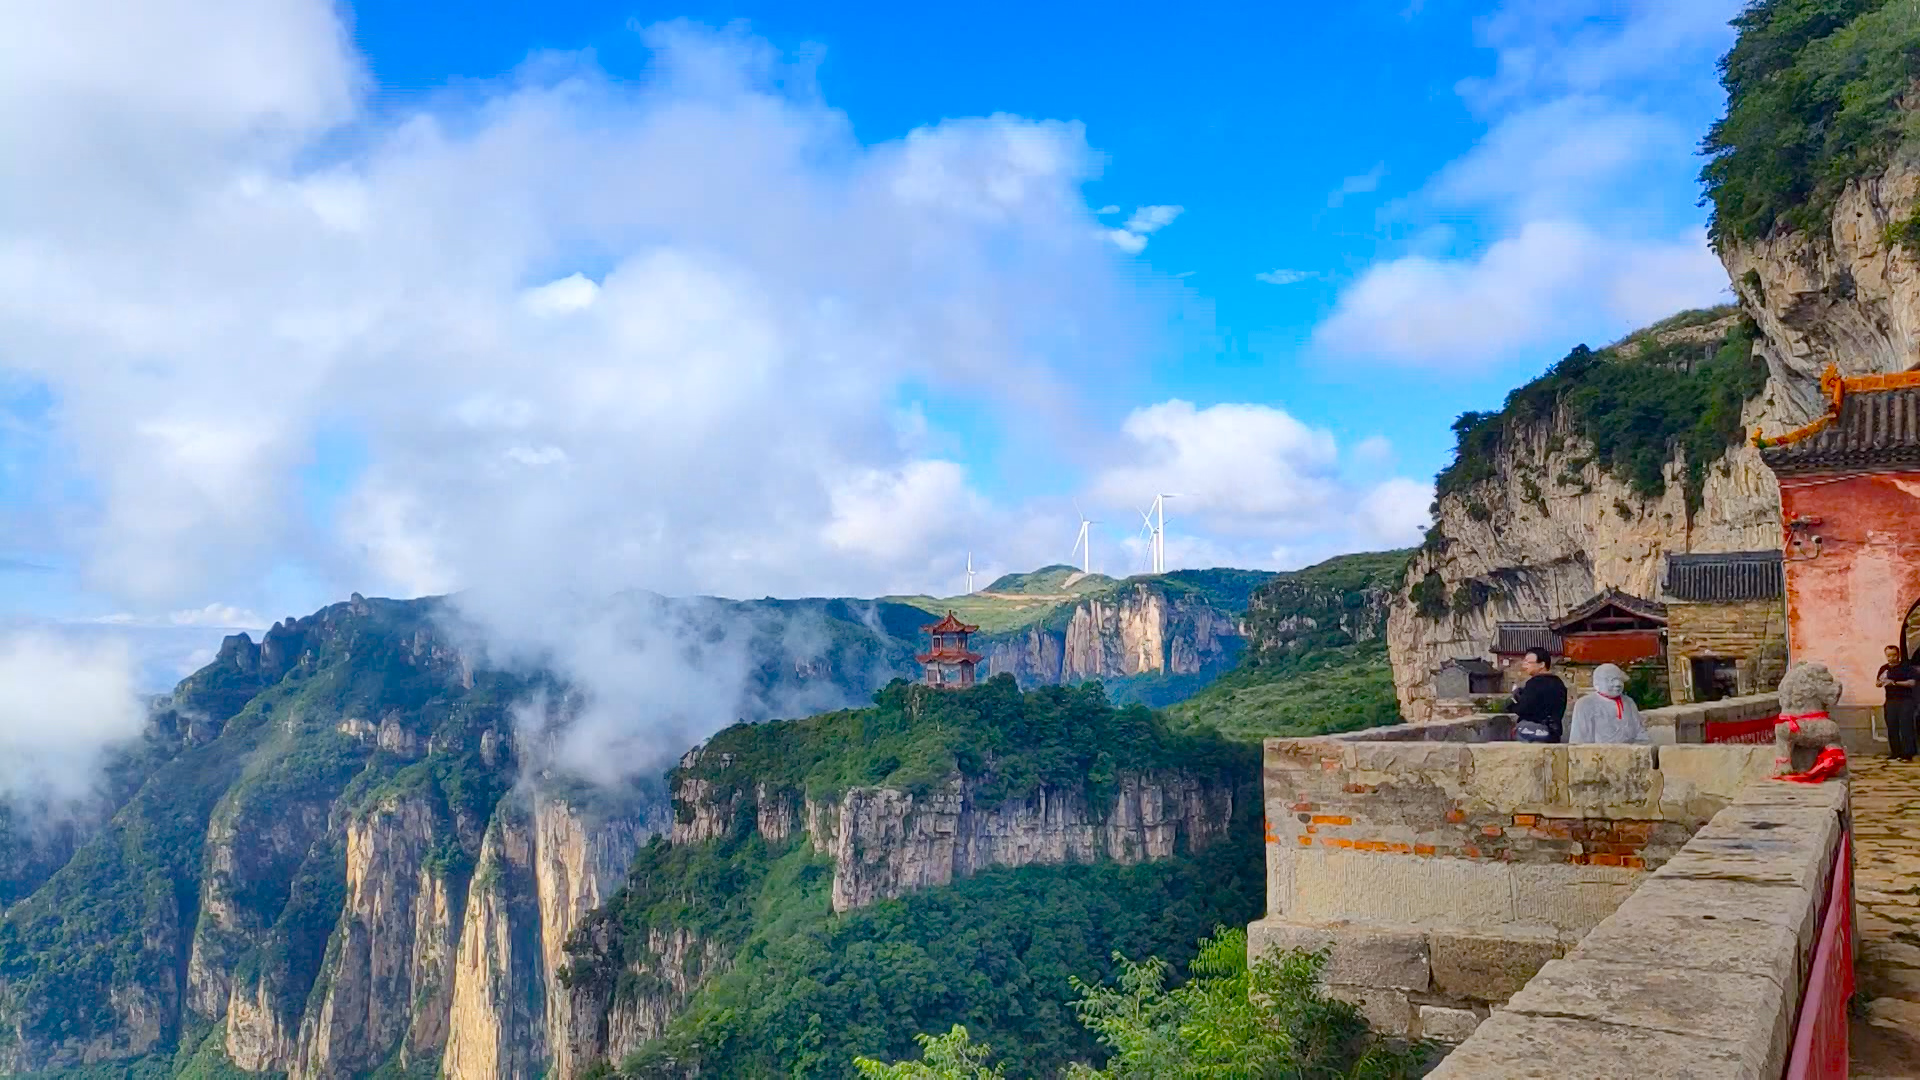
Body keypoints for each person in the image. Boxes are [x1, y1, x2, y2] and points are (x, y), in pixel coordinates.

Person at [1568, 663, 1649, 744]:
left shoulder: (1628, 702)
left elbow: (1640, 733)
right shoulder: (1585, 704)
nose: (1617, 684)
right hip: (1598, 754)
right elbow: (1579, 742)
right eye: (1610, 680)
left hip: (1628, 753)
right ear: (1596, 683)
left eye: (1620, 680)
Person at [1507, 647, 1568, 743]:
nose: (1524, 665)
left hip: (1535, 732)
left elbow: (1524, 709)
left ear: (1542, 664)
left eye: (1528, 662)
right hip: (1554, 732)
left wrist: (1512, 705)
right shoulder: (1559, 683)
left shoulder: (1534, 683)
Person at [1878, 645, 1918, 761]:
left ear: (1898, 654)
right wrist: (1881, 682)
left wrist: (1895, 683)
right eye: (1889, 655)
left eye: (1894, 655)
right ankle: (1895, 753)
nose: (1891, 658)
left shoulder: (1906, 667)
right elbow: (1878, 683)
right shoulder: (1884, 668)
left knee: (1906, 727)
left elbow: (1912, 683)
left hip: (1905, 700)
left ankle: (1907, 754)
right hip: (1890, 701)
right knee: (1892, 727)